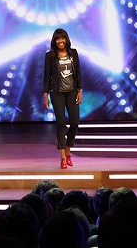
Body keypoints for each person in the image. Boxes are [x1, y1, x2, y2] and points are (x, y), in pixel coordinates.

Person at [43, 28, 83, 169]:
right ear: (54, 41)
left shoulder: (73, 53)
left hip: (72, 92)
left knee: (75, 123)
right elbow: (47, 76)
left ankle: (68, 151)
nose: (60, 41)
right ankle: (63, 158)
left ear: (66, 39)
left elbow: (78, 73)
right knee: (60, 124)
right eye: (58, 39)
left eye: (62, 38)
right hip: (57, 93)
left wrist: (80, 90)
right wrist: (45, 94)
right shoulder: (50, 56)